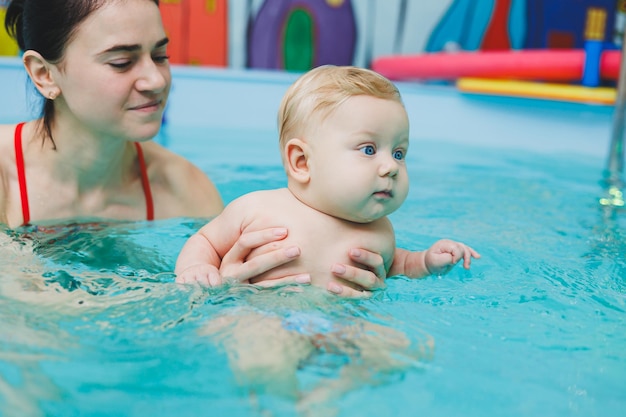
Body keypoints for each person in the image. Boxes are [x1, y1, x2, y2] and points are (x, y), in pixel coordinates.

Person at [0, 0, 388, 296]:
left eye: (160, 55)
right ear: (44, 74)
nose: (154, 79)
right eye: (121, 62)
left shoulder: (186, 191)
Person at [175, 65, 480, 289]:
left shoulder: (380, 231)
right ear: (302, 161)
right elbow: (206, 240)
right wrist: (197, 268)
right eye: (369, 149)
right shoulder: (256, 209)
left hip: (348, 325)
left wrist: (426, 262)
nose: (391, 167)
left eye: (399, 153)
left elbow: (397, 264)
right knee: (265, 357)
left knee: (400, 350)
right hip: (268, 319)